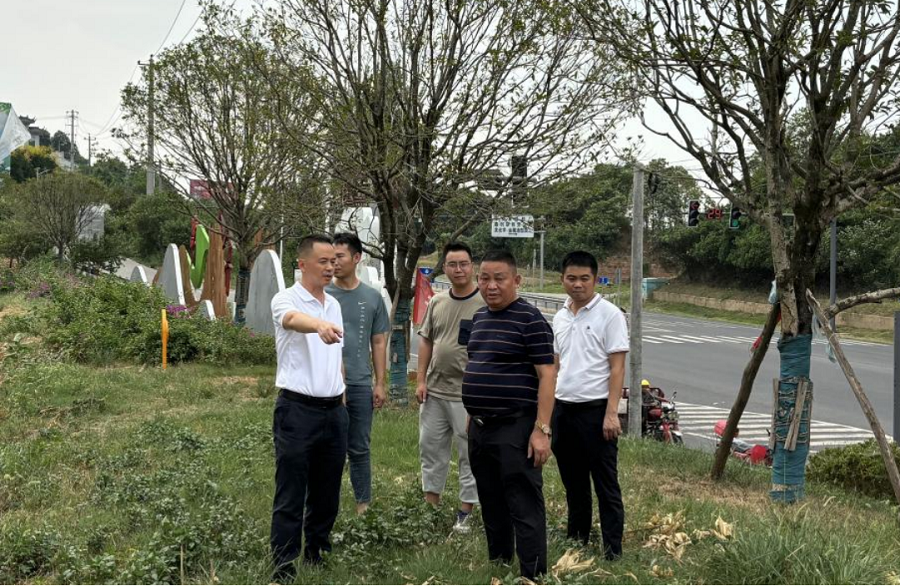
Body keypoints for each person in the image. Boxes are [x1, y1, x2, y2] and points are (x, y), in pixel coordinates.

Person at [462, 249, 556, 581]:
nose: (491, 286)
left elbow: (547, 374)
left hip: (516, 426)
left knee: (523, 501)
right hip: (481, 427)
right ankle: (500, 561)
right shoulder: (479, 318)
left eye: (499, 279)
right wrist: (473, 414)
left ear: (516, 280)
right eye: (484, 278)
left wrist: (542, 429)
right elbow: (476, 364)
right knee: (491, 498)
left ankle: (533, 573)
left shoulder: (531, 320)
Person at [269, 234, 348, 581]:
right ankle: (283, 565)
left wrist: (341, 393)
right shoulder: (285, 299)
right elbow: (291, 320)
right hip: (297, 411)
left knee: (327, 490)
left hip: (334, 411)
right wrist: (317, 325)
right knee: (291, 491)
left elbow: (336, 356)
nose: (331, 267)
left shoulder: (334, 304)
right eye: (323, 261)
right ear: (302, 264)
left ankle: (317, 552)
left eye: (334, 261)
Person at [551, 250, 628, 560]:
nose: (578, 284)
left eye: (585, 278)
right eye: (572, 278)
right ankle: (577, 539)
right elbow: (556, 364)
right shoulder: (559, 316)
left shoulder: (610, 314)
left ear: (595, 280)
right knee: (573, 481)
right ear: (562, 280)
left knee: (605, 483)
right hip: (563, 409)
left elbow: (617, 367)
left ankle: (612, 550)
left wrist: (611, 413)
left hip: (596, 411)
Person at [415, 241, 483, 532]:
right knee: (430, 449)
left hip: (467, 395)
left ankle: (466, 511)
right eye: (452, 264)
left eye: (464, 264)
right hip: (435, 391)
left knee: (469, 453)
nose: (458, 269)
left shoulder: (484, 303)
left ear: (472, 266)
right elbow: (426, 341)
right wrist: (421, 379)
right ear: (444, 267)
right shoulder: (437, 302)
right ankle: (431, 506)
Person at [326, 232, 391, 515]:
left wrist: (380, 382)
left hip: (360, 384)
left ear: (356, 258)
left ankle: (363, 505)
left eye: (339, 257)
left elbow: (378, 342)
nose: (334, 263)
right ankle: (324, 503)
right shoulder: (322, 294)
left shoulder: (372, 297)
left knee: (360, 446)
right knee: (329, 447)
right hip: (327, 385)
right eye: (330, 258)